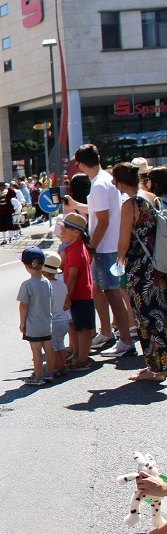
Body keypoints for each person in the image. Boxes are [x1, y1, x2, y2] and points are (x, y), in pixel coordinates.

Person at [71, 144, 136, 358]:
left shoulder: (98, 185)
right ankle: (109, 333)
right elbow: (101, 212)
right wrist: (76, 205)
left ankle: (125, 341)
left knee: (112, 293)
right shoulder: (106, 179)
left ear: (80, 164)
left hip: (105, 246)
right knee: (100, 289)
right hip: (110, 244)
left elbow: (103, 221)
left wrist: (91, 247)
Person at [115, 163, 167, 382]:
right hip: (158, 261)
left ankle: (155, 369)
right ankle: (161, 364)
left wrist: (118, 260)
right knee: (160, 314)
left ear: (118, 183)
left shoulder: (131, 204)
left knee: (145, 318)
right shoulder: (151, 196)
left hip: (140, 266)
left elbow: (124, 241)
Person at [59, 214, 95, 371]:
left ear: (76, 232)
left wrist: (66, 296)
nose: (62, 231)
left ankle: (83, 360)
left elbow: (72, 277)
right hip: (80, 294)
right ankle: (79, 355)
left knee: (83, 329)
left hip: (80, 295)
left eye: (65, 228)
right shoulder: (74, 248)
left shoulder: (75, 251)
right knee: (80, 326)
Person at [16, 247, 55, 386]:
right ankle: (50, 373)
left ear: (26, 265)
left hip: (34, 324)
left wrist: (22, 323)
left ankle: (38, 376)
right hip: (46, 322)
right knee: (49, 348)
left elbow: (23, 305)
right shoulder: (47, 282)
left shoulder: (27, 285)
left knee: (36, 350)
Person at [40, 251, 70, 380]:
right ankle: (62, 366)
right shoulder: (61, 284)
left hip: (53, 321)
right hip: (63, 319)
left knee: (52, 348)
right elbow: (66, 302)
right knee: (60, 344)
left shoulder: (46, 285)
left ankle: (54, 368)